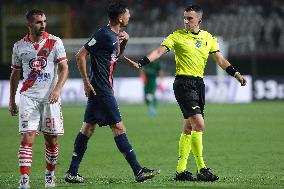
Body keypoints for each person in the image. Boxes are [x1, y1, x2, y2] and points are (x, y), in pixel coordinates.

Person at [124, 5, 247, 182]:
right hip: (183, 84)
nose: (186, 21)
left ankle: (181, 171)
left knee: (189, 128)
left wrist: (236, 74)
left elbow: (220, 60)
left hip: (199, 84)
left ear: (199, 20)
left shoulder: (208, 38)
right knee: (200, 125)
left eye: (189, 18)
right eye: (184, 18)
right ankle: (202, 168)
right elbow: (159, 51)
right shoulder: (177, 36)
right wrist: (141, 63)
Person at [64, 1, 160, 184]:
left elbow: (114, 57)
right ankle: (138, 171)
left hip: (101, 87)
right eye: (128, 14)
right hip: (101, 89)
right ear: (120, 17)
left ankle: (71, 172)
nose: (129, 17)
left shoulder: (115, 36)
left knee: (88, 127)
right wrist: (85, 82)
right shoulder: (103, 34)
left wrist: (125, 43)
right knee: (118, 127)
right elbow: (80, 55)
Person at [9, 9, 69, 188]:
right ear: (29, 25)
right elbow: (15, 74)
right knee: (27, 138)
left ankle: (50, 175)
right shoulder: (19, 46)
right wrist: (12, 100)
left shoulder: (55, 42)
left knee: (51, 140)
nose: (42, 25)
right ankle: (24, 180)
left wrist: (57, 90)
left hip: (50, 99)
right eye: (38, 22)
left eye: (44, 21)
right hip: (28, 97)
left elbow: (64, 69)